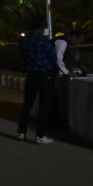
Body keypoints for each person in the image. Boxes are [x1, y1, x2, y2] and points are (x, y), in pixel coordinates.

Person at [17, 16, 58, 144]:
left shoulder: (24, 41)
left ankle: (21, 132)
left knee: (27, 104)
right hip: (44, 75)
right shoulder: (44, 42)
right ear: (41, 28)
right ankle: (40, 135)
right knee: (44, 105)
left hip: (31, 74)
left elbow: (22, 57)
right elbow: (53, 57)